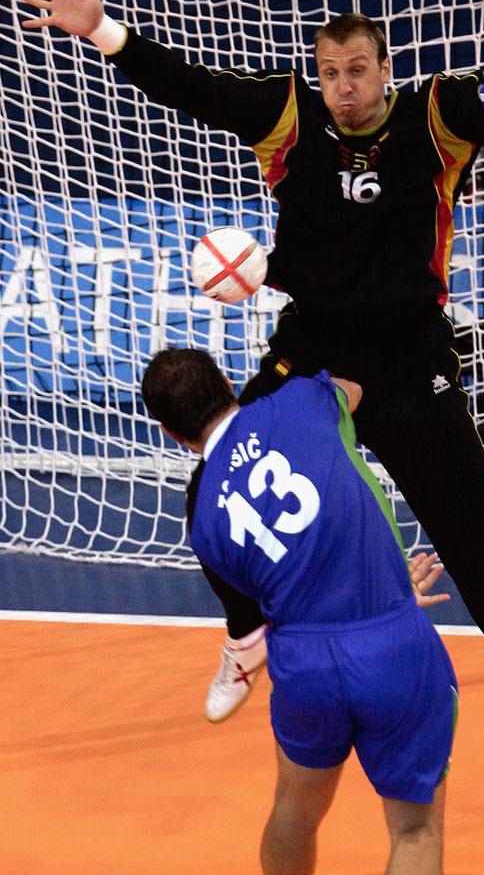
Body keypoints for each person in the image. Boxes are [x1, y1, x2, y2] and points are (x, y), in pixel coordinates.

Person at [19, 0, 484, 799]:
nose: (342, 87)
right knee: (217, 480)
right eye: (329, 73)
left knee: (480, 535)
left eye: (357, 71)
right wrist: (100, 30)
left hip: (408, 355)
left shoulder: (437, 119)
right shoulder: (287, 116)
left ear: (384, 69)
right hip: (310, 346)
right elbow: (191, 89)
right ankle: (245, 639)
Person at [141, 346, 457, 875]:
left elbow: (271, 597)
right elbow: (357, 390)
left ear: (172, 435)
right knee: (414, 829)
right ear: (226, 380)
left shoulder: (204, 524)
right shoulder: (302, 401)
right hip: (390, 646)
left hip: (305, 665)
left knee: (296, 809)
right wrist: (383, 584)